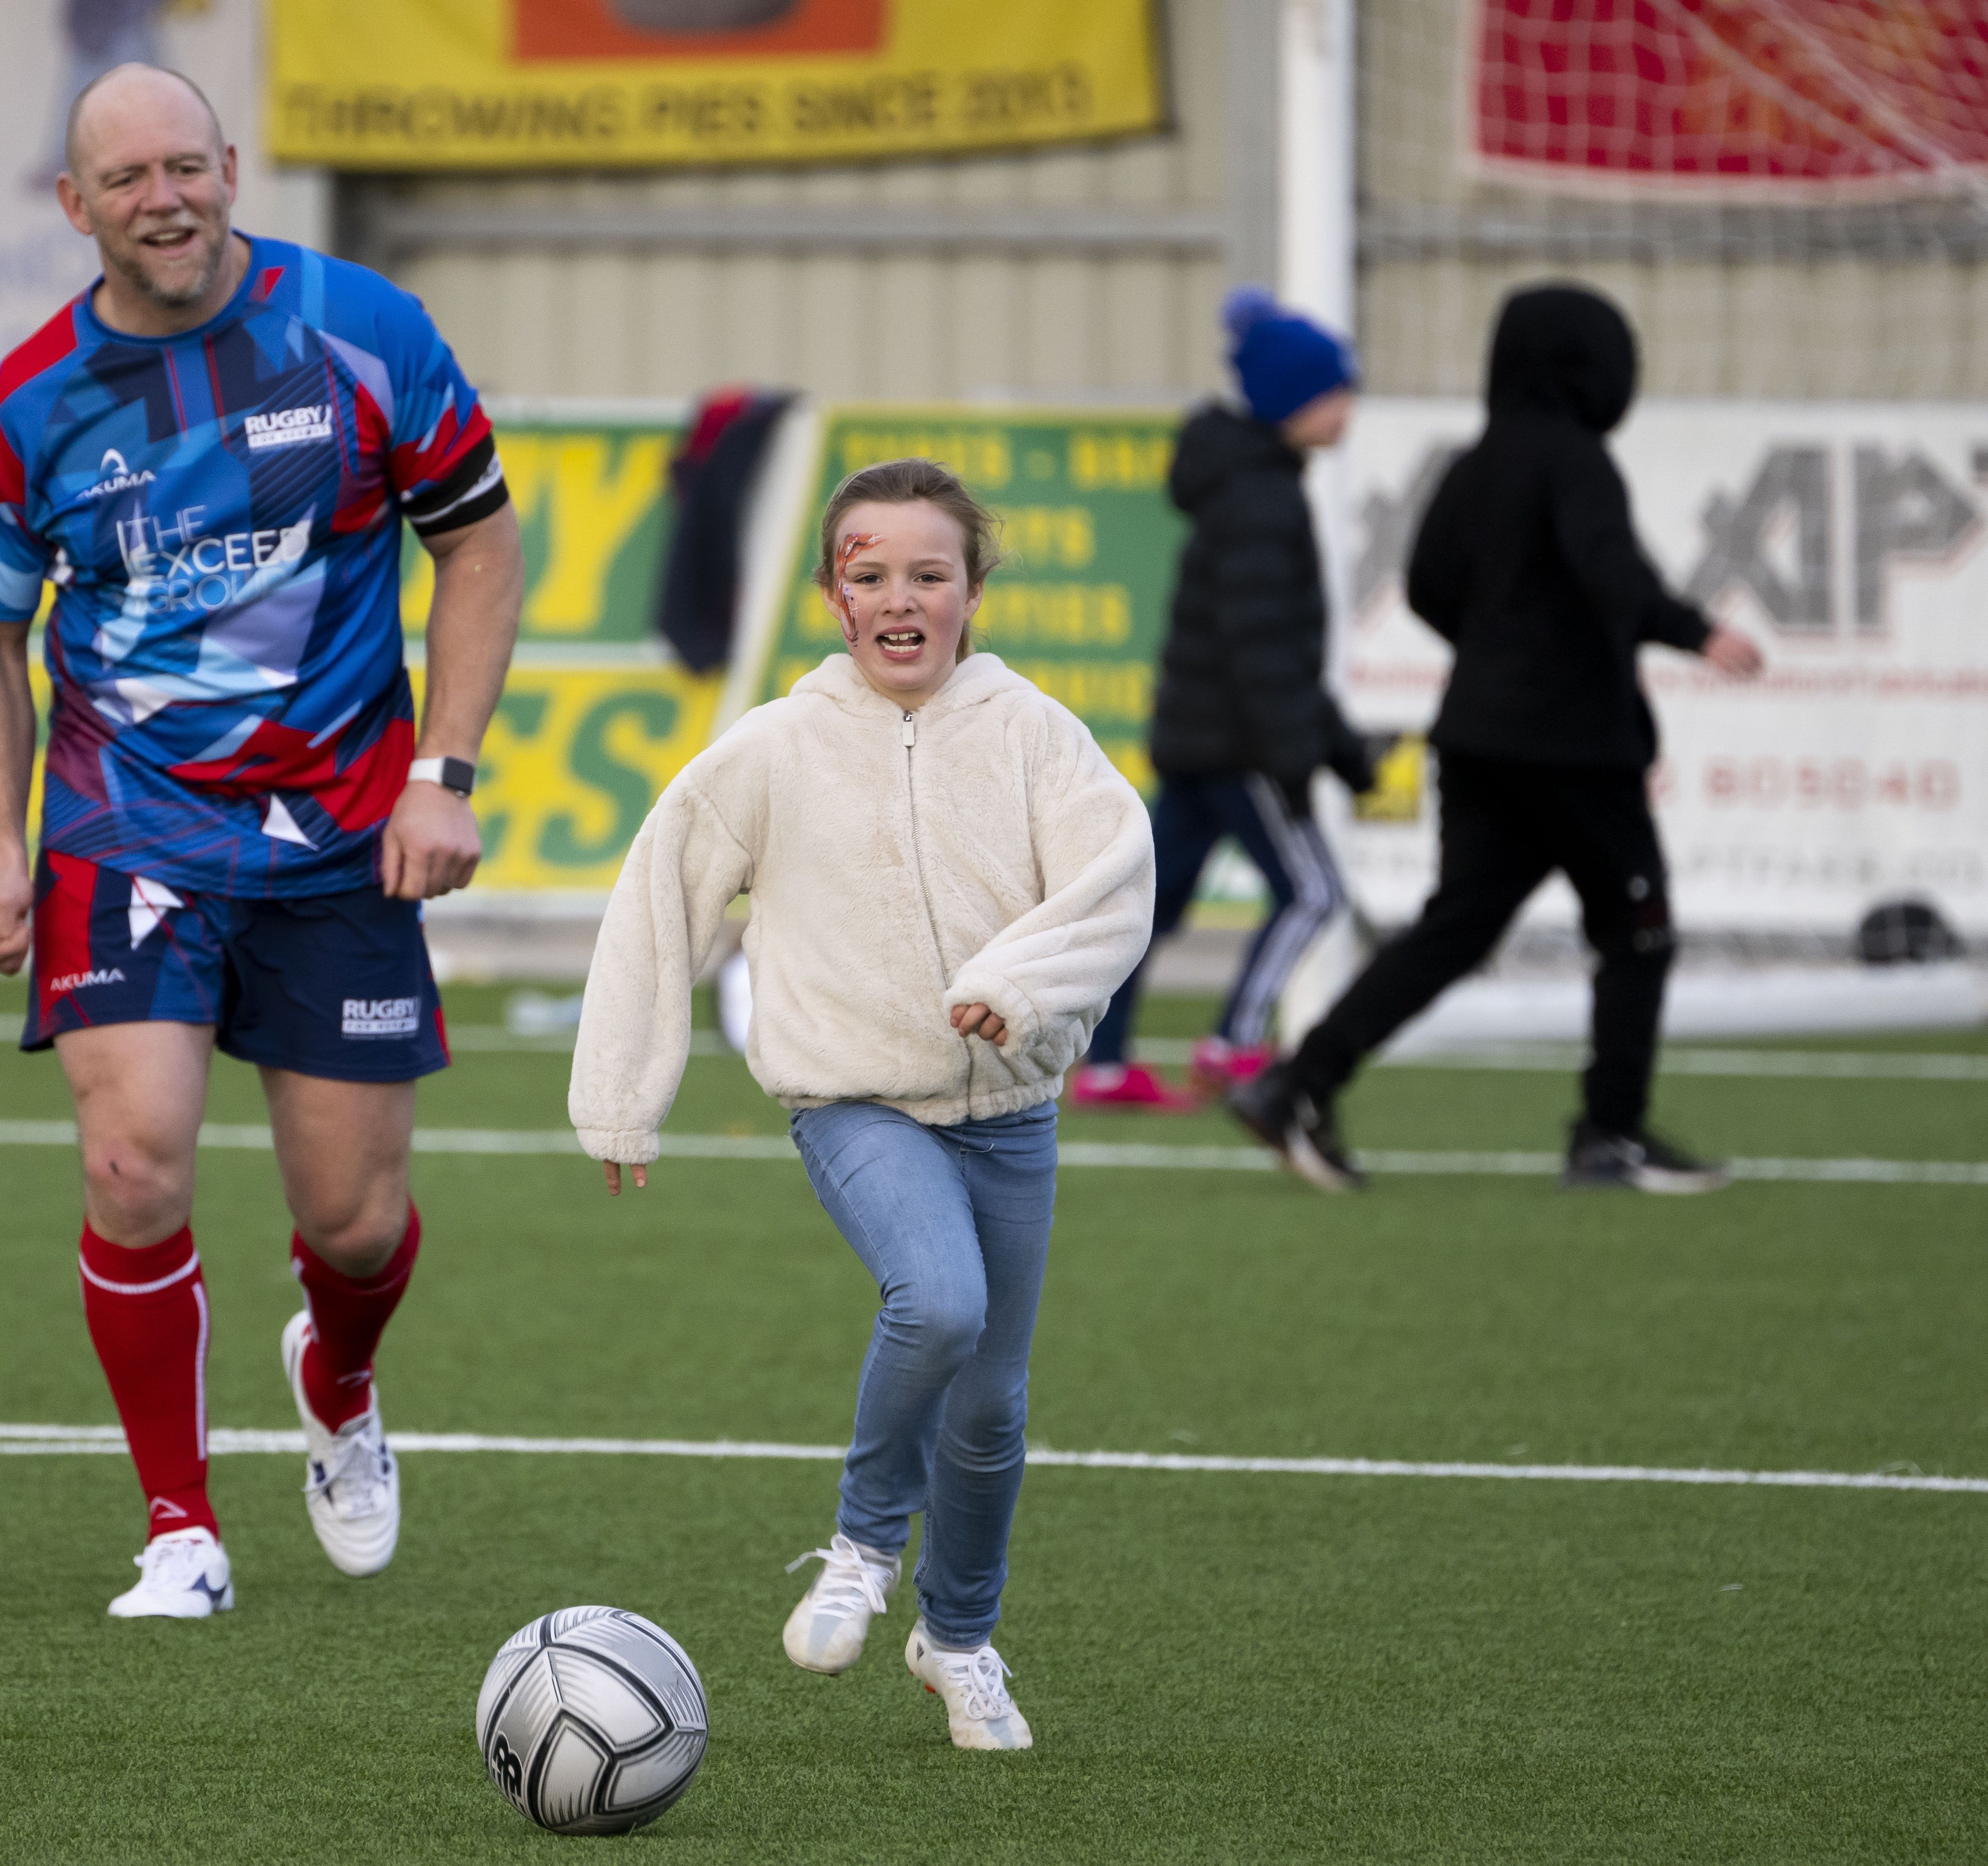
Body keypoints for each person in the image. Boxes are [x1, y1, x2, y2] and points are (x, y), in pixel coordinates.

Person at [0, 64, 523, 1618]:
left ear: (232, 167)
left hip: (343, 832)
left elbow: (474, 539)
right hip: (127, 824)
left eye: (186, 166)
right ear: (76, 208)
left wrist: (443, 771)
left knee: (357, 1217)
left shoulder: (364, 330)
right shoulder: (22, 408)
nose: (165, 199)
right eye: (126, 180)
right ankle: (179, 1524)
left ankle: (337, 1378)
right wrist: (3, 845)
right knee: (131, 1159)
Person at [568, 459, 1153, 1750]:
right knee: (938, 1301)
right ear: (834, 595)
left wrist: (1017, 988)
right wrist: (620, 1095)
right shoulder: (774, 750)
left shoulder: (1034, 734)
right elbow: (658, 893)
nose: (901, 598)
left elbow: (1115, 880)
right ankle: (861, 1544)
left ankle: (957, 1641)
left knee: (992, 1408)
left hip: (1011, 1115)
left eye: (928, 575)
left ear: (972, 591)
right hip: (854, 1103)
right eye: (870, 573)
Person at [1229, 281, 1765, 1193]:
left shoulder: (1474, 463)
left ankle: (1295, 1081)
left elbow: (1430, 584)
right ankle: (1609, 1134)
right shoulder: (1578, 462)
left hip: (1477, 736)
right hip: (1575, 748)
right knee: (1638, 931)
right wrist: (1695, 632)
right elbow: (1611, 570)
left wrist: (1499, 646)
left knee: (1453, 928)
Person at [1074, 288, 1379, 1111]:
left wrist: (1339, 748)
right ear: (1291, 401)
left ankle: (1102, 1066)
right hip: (1239, 745)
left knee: (1147, 906)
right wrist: (1297, 757)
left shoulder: (1241, 486)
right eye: (1334, 391)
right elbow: (1263, 651)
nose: (1348, 406)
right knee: (1314, 894)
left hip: (1198, 739)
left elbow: (1267, 645)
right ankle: (1233, 1044)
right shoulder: (1262, 498)